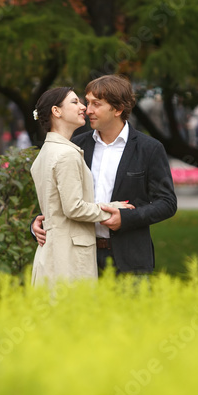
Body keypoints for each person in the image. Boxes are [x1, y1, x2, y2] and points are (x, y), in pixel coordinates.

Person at [32, 75, 178, 274]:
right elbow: (55, 196)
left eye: (96, 104)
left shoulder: (149, 148)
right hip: (80, 257)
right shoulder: (76, 147)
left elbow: (167, 203)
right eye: (87, 101)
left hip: (130, 259)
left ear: (117, 109)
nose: (87, 109)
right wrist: (36, 224)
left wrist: (126, 218)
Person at [29, 87, 130, 286]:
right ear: (56, 111)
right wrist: (113, 210)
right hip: (67, 256)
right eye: (75, 102)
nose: (83, 107)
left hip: (51, 251)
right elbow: (73, 207)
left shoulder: (47, 151)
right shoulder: (66, 154)